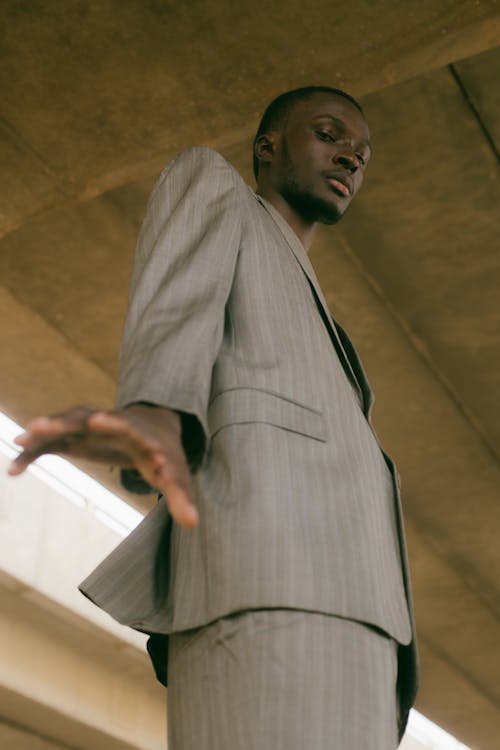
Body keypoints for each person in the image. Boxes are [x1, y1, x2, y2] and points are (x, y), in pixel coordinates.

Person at [9, 86, 418, 749]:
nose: (351, 155)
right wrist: (155, 411)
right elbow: (177, 308)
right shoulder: (216, 187)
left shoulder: (331, 333)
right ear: (269, 148)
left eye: (362, 152)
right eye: (329, 133)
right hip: (262, 583)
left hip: (371, 631)